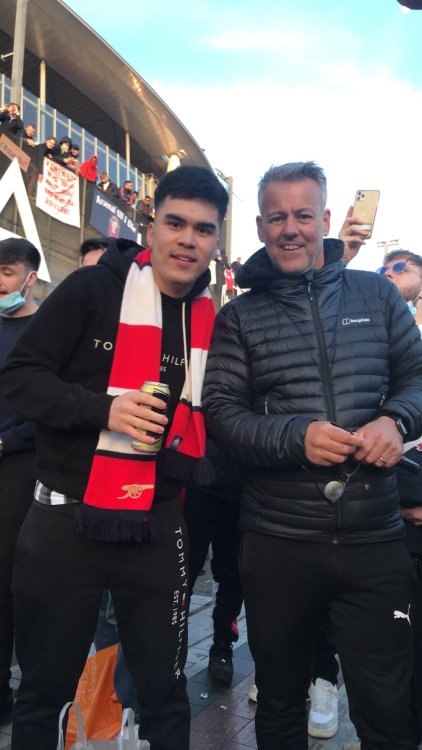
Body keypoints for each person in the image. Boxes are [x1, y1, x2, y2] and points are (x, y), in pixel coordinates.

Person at [0, 165, 228, 750]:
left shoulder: (211, 319)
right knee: (42, 695)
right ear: (151, 226)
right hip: (63, 521)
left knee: (165, 693)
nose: (187, 239)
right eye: (174, 223)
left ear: (216, 240)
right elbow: (20, 379)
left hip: (157, 524)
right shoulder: (92, 289)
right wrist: (103, 409)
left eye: (203, 230)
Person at [202, 161, 422, 750]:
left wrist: (395, 420)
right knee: (278, 701)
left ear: (325, 219)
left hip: (375, 539)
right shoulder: (239, 315)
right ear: (260, 225)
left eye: (303, 215)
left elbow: (417, 378)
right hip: (277, 540)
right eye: (278, 217)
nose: (290, 228)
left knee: (386, 705)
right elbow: (221, 414)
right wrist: (295, 435)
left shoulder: (375, 294)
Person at [0, 238, 40, 726]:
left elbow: (49, 407)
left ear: (30, 277)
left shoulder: (43, 330)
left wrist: (7, 443)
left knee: (12, 583)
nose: (0, 282)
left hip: (20, 468)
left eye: (7, 273)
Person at [184, 439, 244, 684]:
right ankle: (172, 652)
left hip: (244, 482)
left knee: (233, 573)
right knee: (183, 574)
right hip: (198, 477)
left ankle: (222, 645)